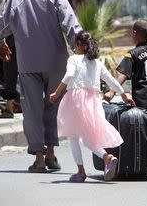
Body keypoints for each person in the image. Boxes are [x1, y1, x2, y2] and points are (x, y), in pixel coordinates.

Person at [0, 0, 82, 173]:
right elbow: (73, 29)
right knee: (53, 108)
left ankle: (39, 159)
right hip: (56, 63)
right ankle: (51, 153)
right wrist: (81, 53)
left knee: (32, 110)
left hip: (28, 63)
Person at [49, 31, 135, 182]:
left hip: (76, 101)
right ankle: (107, 157)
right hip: (94, 102)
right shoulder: (97, 63)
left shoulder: (74, 59)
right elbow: (112, 81)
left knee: (74, 136)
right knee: (89, 137)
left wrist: (56, 93)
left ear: (78, 45)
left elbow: (69, 75)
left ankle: (81, 171)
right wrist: (124, 96)